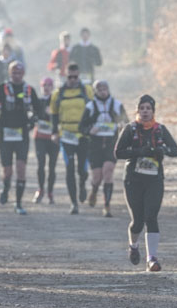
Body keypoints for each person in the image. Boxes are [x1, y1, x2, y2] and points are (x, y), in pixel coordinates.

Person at [115, 95, 177, 271]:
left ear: (153, 111)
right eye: (142, 108)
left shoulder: (160, 130)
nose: (145, 111)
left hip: (154, 180)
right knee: (137, 221)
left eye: (148, 108)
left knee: (151, 217)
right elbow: (118, 153)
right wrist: (138, 152)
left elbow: (175, 150)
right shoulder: (130, 129)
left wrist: (162, 150)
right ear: (137, 110)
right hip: (133, 180)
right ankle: (133, 246)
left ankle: (152, 259)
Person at [0, 60, 43, 215]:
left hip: (22, 134)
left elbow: (39, 109)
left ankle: (18, 203)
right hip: (5, 133)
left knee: (21, 169)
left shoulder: (29, 90)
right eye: (14, 73)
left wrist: (33, 120)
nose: (17, 76)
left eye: (19, 73)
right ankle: (5, 188)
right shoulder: (2, 89)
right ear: (9, 73)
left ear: (23, 74)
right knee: (8, 170)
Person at [50, 63, 93, 214]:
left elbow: (94, 110)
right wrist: (54, 132)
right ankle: (73, 202)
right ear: (65, 76)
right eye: (70, 77)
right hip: (66, 135)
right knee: (69, 169)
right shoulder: (58, 93)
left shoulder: (87, 90)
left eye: (75, 77)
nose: (73, 80)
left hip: (83, 136)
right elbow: (54, 115)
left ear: (79, 75)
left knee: (82, 169)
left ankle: (82, 183)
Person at [80, 80, 125, 217]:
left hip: (111, 144)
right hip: (95, 145)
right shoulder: (90, 106)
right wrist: (89, 130)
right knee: (97, 177)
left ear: (108, 89)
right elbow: (81, 127)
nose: (103, 91)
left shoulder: (117, 105)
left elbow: (126, 122)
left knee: (108, 172)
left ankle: (107, 205)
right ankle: (94, 191)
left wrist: (122, 126)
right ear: (95, 91)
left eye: (105, 88)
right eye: (99, 89)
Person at [32, 76, 59, 204]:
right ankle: (40, 189)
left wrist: (52, 113)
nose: (46, 88)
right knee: (40, 164)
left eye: (49, 85)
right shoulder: (37, 101)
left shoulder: (56, 101)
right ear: (41, 87)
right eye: (44, 86)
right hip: (40, 137)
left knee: (52, 166)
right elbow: (32, 115)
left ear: (52, 87)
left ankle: (50, 192)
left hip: (53, 138)